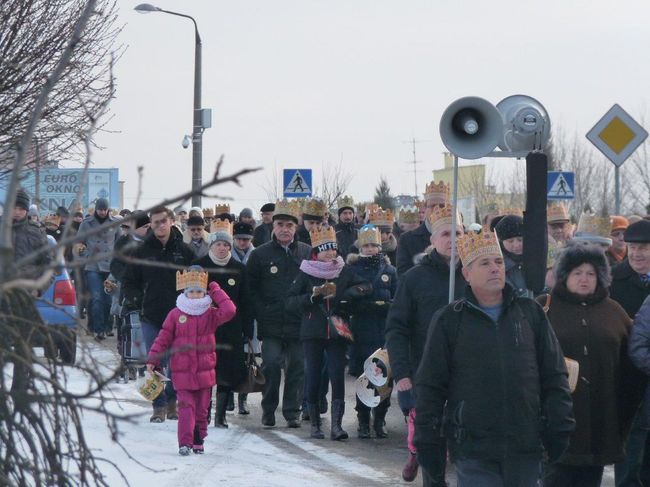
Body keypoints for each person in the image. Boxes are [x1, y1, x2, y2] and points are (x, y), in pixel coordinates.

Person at [414, 226, 575, 487]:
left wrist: (560, 425)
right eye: (485, 263)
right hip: (474, 447)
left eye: (499, 262)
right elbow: (431, 386)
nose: (495, 268)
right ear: (466, 274)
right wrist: (428, 443)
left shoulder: (529, 314)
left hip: (524, 444)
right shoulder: (449, 320)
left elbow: (554, 375)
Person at [540, 244, 641, 486]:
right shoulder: (545, 307)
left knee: (589, 478)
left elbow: (630, 364)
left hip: (600, 416)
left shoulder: (614, 311)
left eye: (591, 273)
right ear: (565, 275)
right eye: (577, 273)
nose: (584, 279)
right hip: (556, 416)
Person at [386, 203, 466, 483]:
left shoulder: (474, 274)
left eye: (457, 233)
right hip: (426, 373)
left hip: (468, 374)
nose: (452, 240)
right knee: (432, 443)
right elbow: (397, 328)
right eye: (445, 234)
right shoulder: (414, 278)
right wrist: (403, 372)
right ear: (432, 240)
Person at [286, 226, 371, 440]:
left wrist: (348, 296)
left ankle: (337, 425)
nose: (330, 254)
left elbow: (365, 286)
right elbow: (290, 302)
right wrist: (312, 297)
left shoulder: (343, 270)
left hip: (337, 331)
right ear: (316, 251)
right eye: (325, 250)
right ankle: (315, 424)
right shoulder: (306, 272)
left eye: (333, 249)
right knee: (313, 375)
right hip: (312, 331)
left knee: (336, 376)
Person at [146, 267, 236, 456]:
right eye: (191, 291)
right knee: (186, 406)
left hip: (205, 372)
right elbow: (163, 337)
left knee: (202, 410)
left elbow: (229, 310)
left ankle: (198, 438)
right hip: (182, 371)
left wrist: (215, 289)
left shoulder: (210, 314)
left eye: (199, 291)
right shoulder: (175, 314)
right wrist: (153, 358)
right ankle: (184, 443)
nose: (195, 295)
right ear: (185, 292)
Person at [122, 206, 195, 422]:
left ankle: (173, 403)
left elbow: (197, 279)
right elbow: (129, 282)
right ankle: (158, 405)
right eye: (155, 222)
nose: (160, 225)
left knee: (177, 362)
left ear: (172, 222)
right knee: (155, 362)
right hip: (151, 315)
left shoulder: (184, 250)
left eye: (164, 221)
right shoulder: (141, 251)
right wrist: (137, 299)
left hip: (180, 315)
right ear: (150, 225)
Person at [246, 199, 311, 428]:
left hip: (298, 322)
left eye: (289, 225)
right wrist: (261, 310)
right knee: (271, 365)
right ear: (273, 227)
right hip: (271, 322)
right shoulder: (260, 255)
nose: (285, 229)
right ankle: (269, 409)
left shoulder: (306, 253)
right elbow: (250, 288)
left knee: (297, 367)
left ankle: (292, 411)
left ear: (296, 228)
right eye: (280, 224)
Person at [194, 219, 254, 426]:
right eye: (218, 244)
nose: (222, 248)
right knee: (206, 371)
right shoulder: (202, 266)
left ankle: (220, 416)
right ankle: (204, 412)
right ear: (211, 245)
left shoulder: (238, 268)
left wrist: (247, 328)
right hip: (206, 328)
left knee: (227, 371)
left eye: (226, 245)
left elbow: (246, 300)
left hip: (232, 328)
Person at [346, 224, 397, 438]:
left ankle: (380, 418)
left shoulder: (390, 270)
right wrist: (365, 304)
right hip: (362, 330)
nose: (369, 249)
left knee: (384, 376)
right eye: (366, 245)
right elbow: (347, 299)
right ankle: (363, 419)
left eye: (373, 245)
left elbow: (398, 299)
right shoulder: (353, 270)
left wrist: (385, 306)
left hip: (384, 331)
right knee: (364, 376)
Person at [611, 219, 650, 487]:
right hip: (626, 374)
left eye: (644, 247)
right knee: (631, 446)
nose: (636, 253)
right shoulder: (613, 279)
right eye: (632, 246)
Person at [77, 198, 120, 340]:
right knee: (96, 298)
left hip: (110, 267)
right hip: (92, 266)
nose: (102, 212)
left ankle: (108, 326)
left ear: (108, 209)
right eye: (100, 209)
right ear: (96, 209)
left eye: (104, 209)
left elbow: (120, 244)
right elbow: (78, 243)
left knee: (108, 300)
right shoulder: (86, 224)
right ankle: (98, 329)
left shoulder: (115, 223)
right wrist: (86, 254)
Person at [396, 181, 450, 275]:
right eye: (433, 206)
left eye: (442, 206)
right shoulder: (407, 240)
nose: (437, 209)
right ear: (425, 208)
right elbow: (403, 277)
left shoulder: (459, 238)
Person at [7, 189, 50, 279]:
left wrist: (38, 288)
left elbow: (47, 262)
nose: (17, 212)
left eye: (21, 209)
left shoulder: (37, 230)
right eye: (14, 208)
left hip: (27, 288)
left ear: (26, 210)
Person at [495, 214, 531, 298]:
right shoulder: (498, 265)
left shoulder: (537, 260)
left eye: (520, 240)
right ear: (502, 242)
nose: (516, 245)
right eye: (510, 241)